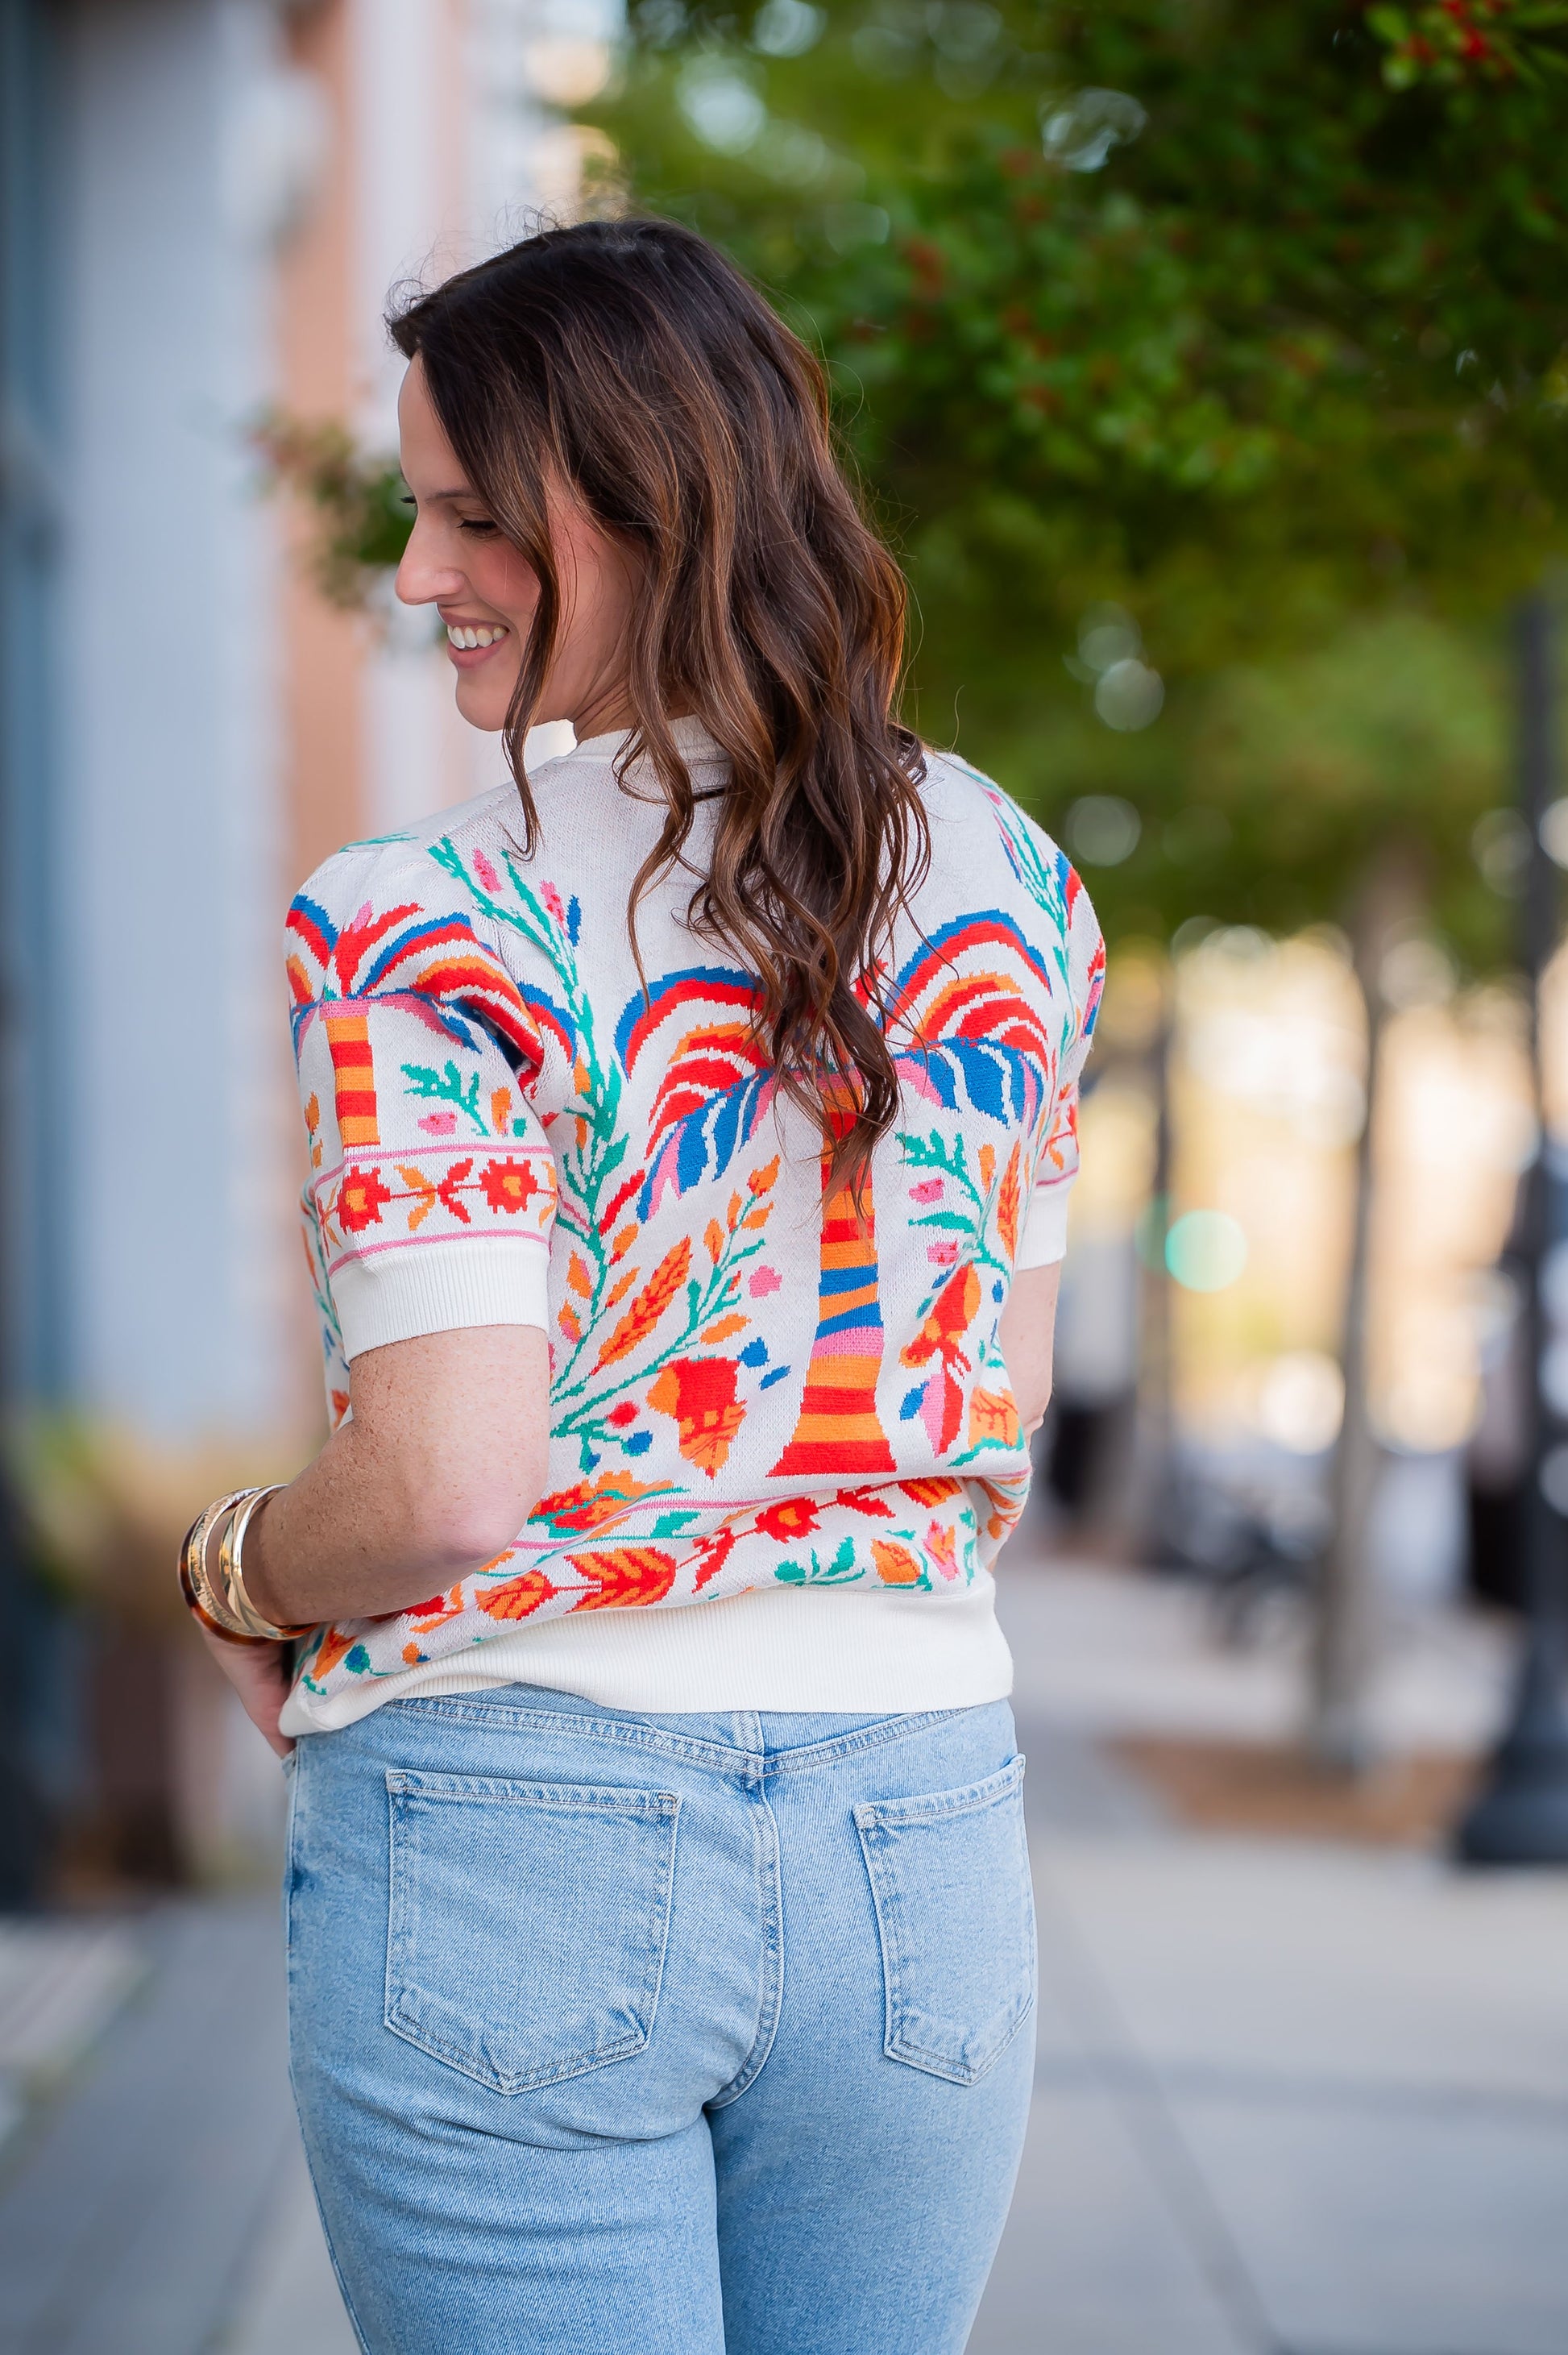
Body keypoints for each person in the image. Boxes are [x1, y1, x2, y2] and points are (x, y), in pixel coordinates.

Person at [180, 218, 1102, 2355]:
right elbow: (1001, 1402)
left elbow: (447, 1486)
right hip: (920, 1828)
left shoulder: (421, 921)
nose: (415, 574)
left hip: (521, 1826)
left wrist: (236, 1566)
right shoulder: (1013, 883)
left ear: (638, 504)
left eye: (468, 517)